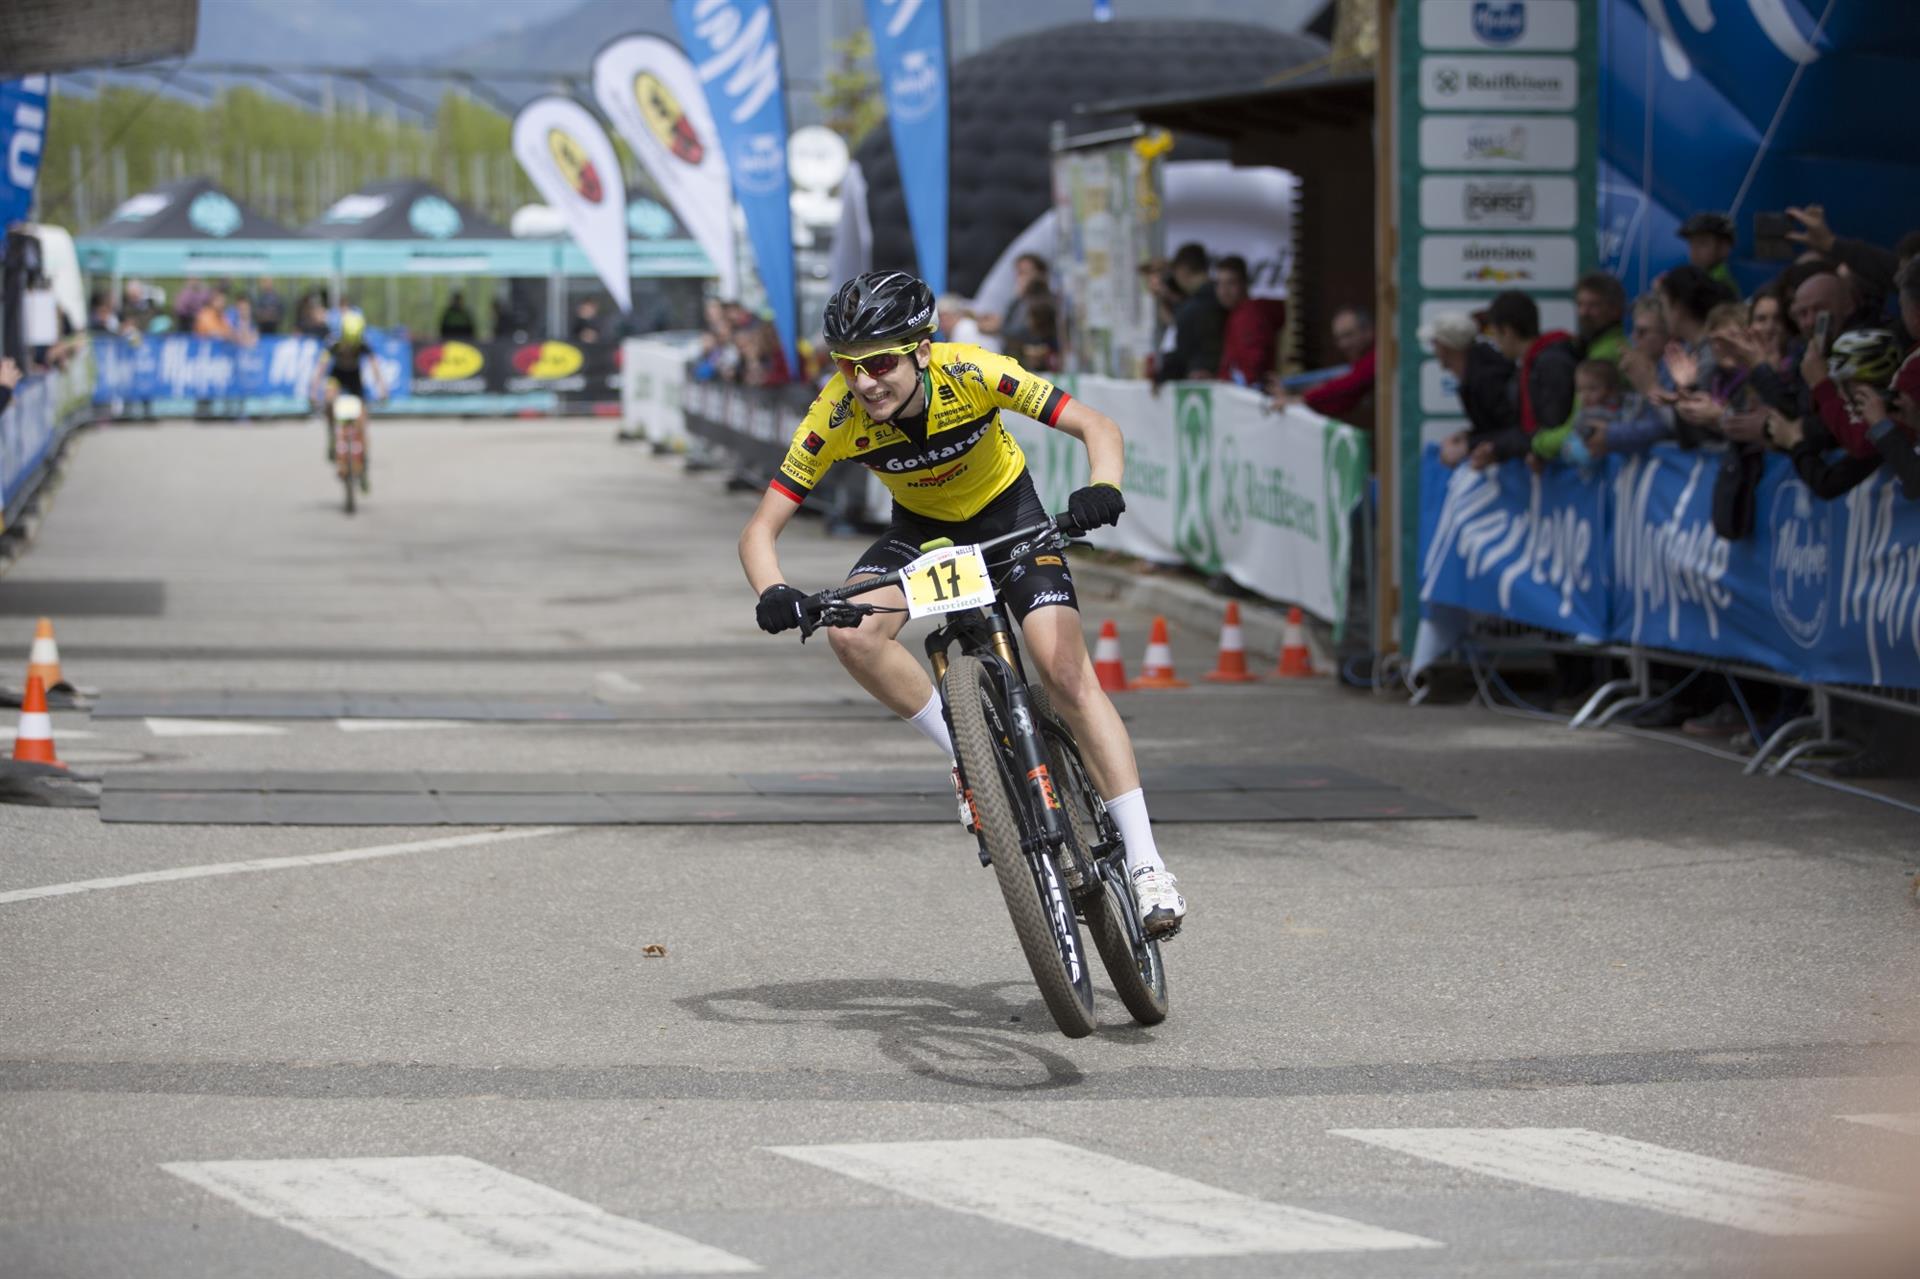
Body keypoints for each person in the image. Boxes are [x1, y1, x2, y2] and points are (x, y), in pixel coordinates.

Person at [738, 270, 1187, 935]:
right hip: (923, 534)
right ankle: (966, 755)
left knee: (1063, 671)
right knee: (851, 634)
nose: (865, 382)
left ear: (922, 350)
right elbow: (759, 530)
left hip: (1011, 520)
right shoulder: (835, 413)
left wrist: (1104, 486)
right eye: (849, 366)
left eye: (881, 363)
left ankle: (1148, 864)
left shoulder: (973, 371)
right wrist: (775, 590)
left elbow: (1097, 426)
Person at [1424, 310, 1520, 467]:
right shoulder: (1476, 373)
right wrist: (1467, 437)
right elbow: (1493, 428)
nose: (1434, 349)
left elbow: (1515, 431)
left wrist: (1468, 445)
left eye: (1435, 343)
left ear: (1445, 347)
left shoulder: (1487, 378)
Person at [308, 311, 386, 489]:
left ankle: (364, 464)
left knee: (362, 421)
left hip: (354, 379)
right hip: (337, 376)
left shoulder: (364, 343)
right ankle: (331, 436)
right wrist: (313, 392)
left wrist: (382, 388)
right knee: (329, 399)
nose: (350, 348)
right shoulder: (333, 342)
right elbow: (321, 368)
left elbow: (375, 366)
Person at [1149, 242, 1226, 387]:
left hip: (1198, 385)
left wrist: (1160, 377)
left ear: (1183, 270)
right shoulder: (1222, 300)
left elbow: (1180, 355)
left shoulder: (1191, 310)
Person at [1213, 255, 1279, 388]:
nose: (1224, 291)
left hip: (1248, 394)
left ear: (1244, 284)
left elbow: (1252, 367)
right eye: (1219, 284)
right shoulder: (1237, 314)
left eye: (1231, 283)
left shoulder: (1248, 317)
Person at [1678, 212, 1741, 299]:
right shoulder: (1693, 280)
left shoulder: (1721, 289)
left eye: (1702, 243)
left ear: (1724, 248)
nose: (1694, 250)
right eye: (1691, 244)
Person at [1573, 270, 1628, 364]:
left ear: (1615, 310)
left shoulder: (1607, 354)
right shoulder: (1595, 347)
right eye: (1580, 304)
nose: (1584, 312)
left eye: (1593, 305)